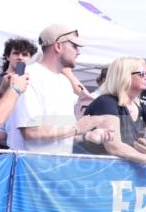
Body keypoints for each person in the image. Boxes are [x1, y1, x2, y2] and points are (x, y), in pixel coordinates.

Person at [5, 24, 98, 155]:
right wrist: (77, 128)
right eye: (74, 46)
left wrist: (88, 133)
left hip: (55, 169)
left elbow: (62, 134)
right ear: (58, 46)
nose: (78, 52)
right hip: (29, 170)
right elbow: (31, 132)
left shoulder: (65, 82)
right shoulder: (29, 77)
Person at [75, 56, 146, 175]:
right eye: (142, 74)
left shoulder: (140, 106)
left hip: (120, 175)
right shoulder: (106, 102)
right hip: (94, 173)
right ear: (124, 76)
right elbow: (114, 146)